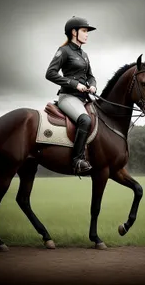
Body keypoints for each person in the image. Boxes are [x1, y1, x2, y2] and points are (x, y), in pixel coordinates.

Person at [45, 16, 97, 175]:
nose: (87, 34)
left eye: (87, 31)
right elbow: (50, 73)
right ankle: (77, 160)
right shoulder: (64, 51)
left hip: (84, 99)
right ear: (74, 32)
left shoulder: (85, 54)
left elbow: (90, 75)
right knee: (85, 120)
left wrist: (93, 85)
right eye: (84, 30)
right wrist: (75, 84)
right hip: (68, 97)